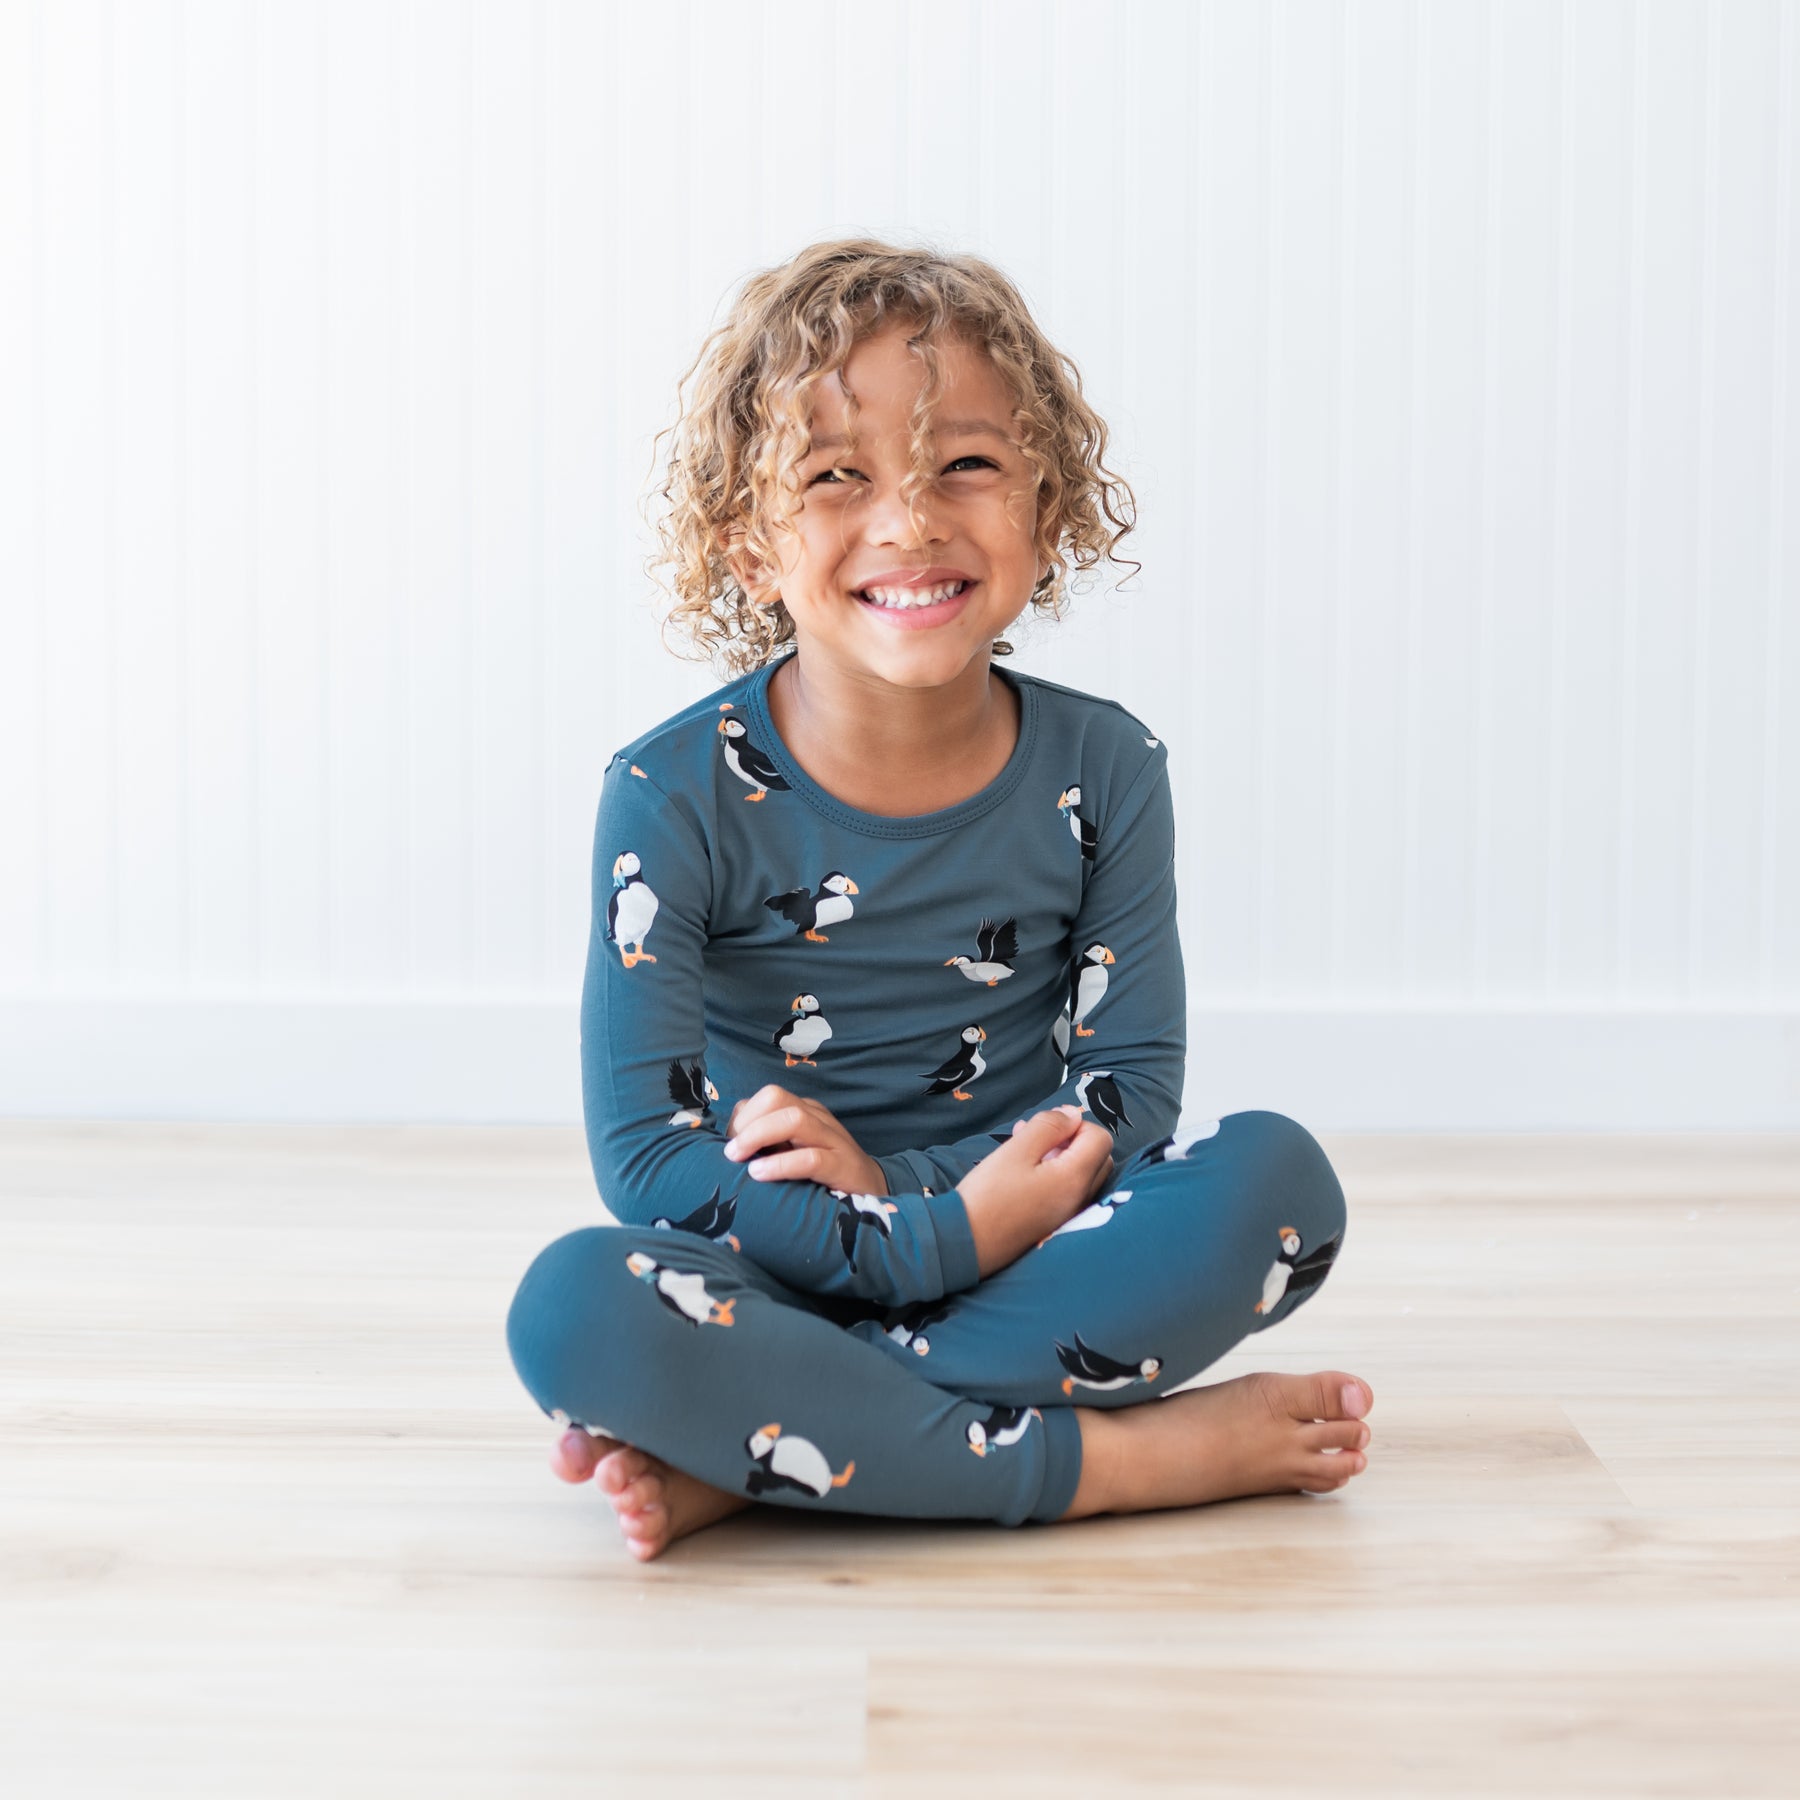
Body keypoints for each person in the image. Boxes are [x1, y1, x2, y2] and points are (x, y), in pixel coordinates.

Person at [505, 238, 1373, 1561]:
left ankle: (775, 1453)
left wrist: (936, 1209)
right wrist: (907, 1239)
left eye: (965, 464)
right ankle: (1127, 1462)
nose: (909, 522)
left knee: (1281, 1184)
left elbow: (1128, 1097)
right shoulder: (668, 792)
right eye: (836, 476)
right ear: (749, 545)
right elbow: (648, 1159)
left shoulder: (1107, 769)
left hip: (1036, 1235)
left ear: (1048, 504)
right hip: (783, 1257)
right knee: (572, 1308)